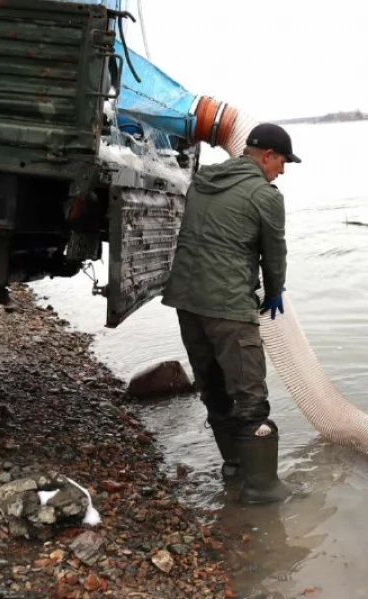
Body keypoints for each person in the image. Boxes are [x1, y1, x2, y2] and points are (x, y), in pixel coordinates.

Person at [161, 122, 301, 505]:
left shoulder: (202, 182)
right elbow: (274, 256)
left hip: (186, 303)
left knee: (213, 388)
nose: (283, 170)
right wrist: (273, 293)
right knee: (251, 397)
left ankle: (235, 467)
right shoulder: (265, 195)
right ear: (268, 156)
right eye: (283, 162)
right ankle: (264, 491)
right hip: (228, 310)